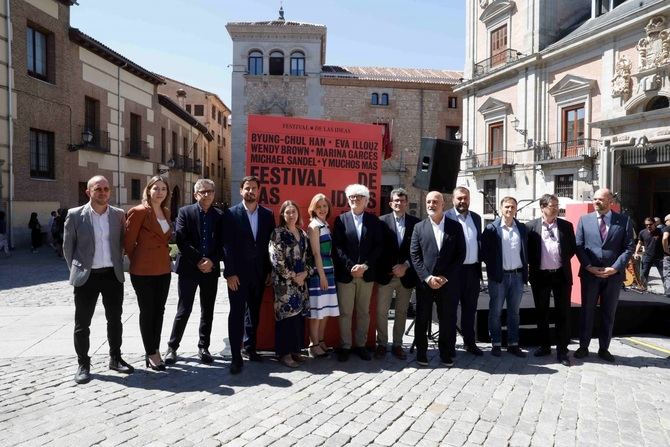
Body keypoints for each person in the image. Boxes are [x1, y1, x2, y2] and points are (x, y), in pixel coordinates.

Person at [63, 175, 133, 384]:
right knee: (82, 323)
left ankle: (115, 357)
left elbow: (122, 242)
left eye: (106, 189)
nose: (103, 192)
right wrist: (77, 270)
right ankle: (83, 363)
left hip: (112, 275)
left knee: (115, 320)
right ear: (88, 192)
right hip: (87, 277)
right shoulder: (75, 215)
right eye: (98, 189)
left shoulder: (119, 215)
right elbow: (68, 247)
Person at [164, 179, 226, 365]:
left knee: (208, 310)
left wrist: (212, 261)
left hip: (211, 269)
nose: (206, 194)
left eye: (210, 191)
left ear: (214, 194)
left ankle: (203, 346)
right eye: (203, 191)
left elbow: (223, 243)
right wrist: (200, 260)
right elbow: (181, 241)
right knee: (184, 309)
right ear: (195, 194)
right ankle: (172, 347)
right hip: (190, 269)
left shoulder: (220, 216)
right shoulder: (185, 212)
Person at [574, 188, 634, 362]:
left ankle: (604, 348)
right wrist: (588, 266)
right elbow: (579, 245)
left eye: (600, 199)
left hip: (613, 276)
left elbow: (629, 247)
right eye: (594, 199)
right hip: (590, 275)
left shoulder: (624, 221)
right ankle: (583, 346)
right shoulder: (584, 220)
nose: (596, 202)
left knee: (608, 312)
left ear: (611, 202)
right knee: (587, 312)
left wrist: (615, 268)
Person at [224, 175, 275, 374]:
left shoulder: (267, 215)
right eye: (247, 188)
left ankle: (250, 348)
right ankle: (236, 357)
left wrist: (269, 270)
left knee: (254, 313)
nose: (250, 191)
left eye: (254, 188)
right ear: (241, 191)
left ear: (259, 190)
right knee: (236, 314)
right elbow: (226, 245)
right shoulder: (230, 214)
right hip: (237, 275)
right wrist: (230, 273)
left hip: (259, 273)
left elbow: (270, 246)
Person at [410, 191, 466, 367]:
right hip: (425, 283)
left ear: (443, 204)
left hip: (447, 283)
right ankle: (421, 353)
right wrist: (427, 277)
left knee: (447, 319)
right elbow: (415, 255)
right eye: (428, 201)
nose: (431, 205)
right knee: (422, 317)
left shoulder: (455, 227)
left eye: (435, 202)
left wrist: (445, 277)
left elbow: (460, 254)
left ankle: (446, 352)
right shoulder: (419, 227)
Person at [124, 176, 173, 371]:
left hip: (163, 268)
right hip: (143, 270)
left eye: (163, 189)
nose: (160, 192)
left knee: (159, 311)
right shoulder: (139, 211)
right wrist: (140, 258)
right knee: (147, 311)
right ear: (148, 190)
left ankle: (155, 348)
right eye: (156, 188)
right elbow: (128, 242)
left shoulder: (166, 211)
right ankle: (151, 352)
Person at [332, 184, 383, 362]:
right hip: (347, 275)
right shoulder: (341, 220)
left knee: (363, 312)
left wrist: (365, 266)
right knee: (345, 312)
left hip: (366, 275)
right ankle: (346, 346)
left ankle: (360, 346)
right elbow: (337, 247)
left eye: (358, 197)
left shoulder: (374, 222)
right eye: (351, 197)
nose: (354, 199)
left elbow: (378, 247)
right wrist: (351, 267)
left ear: (366, 201)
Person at [525, 194, 576, 366]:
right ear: (542, 207)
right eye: (551, 205)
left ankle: (562, 351)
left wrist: (559, 260)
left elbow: (571, 249)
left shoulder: (566, 226)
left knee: (563, 314)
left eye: (556, 205)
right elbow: (528, 252)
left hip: (561, 275)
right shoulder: (530, 227)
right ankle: (545, 345)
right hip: (540, 276)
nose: (555, 208)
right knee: (542, 312)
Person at [374, 187, 419, 360]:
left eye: (402, 200)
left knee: (401, 312)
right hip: (386, 275)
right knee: (381, 311)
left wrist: (405, 266)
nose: (399, 203)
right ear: (391, 203)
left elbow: (417, 250)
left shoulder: (416, 223)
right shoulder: (381, 222)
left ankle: (398, 344)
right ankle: (382, 344)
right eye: (396, 201)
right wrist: (392, 268)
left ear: (406, 202)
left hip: (406, 276)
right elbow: (378, 249)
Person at [481, 196, 529, 358]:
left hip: (517, 276)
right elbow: (485, 253)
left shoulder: (521, 228)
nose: (509, 210)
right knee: (495, 312)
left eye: (512, 207)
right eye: (507, 207)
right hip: (499, 277)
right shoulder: (491, 229)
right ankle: (495, 343)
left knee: (514, 312)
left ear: (516, 209)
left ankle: (513, 344)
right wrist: (493, 270)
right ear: (501, 208)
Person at [269, 200, 313, 367]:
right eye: (287, 212)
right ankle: (284, 353)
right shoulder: (278, 233)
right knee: (286, 318)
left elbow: (309, 257)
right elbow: (276, 260)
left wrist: (306, 273)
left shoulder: (302, 234)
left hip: (301, 283)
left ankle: (295, 350)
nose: (291, 215)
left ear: (298, 214)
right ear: (282, 215)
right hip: (284, 284)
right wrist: (293, 275)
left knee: (298, 318)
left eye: (293, 211)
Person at [445, 186, 484, 357]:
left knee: (470, 309)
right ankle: (450, 345)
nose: (462, 201)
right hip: (454, 271)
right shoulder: (446, 216)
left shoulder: (476, 218)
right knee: (451, 310)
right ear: (453, 200)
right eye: (459, 198)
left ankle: (470, 342)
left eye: (465, 198)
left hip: (473, 271)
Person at [306, 193, 339, 358]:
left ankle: (321, 339)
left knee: (325, 310)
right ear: (313, 208)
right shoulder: (314, 226)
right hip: (320, 273)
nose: (322, 209)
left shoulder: (325, 224)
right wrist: (322, 276)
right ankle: (313, 345)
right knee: (317, 311)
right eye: (318, 207)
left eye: (324, 206)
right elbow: (316, 254)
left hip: (329, 270)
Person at [633, 217, 664, 291]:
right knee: (644, 273)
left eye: (650, 224)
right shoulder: (642, 232)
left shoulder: (661, 231)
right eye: (646, 225)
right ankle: (643, 288)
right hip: (647, 256)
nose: (648, 226)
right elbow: (639, 243)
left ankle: (667, 290)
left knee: (664, 274)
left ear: (654, 224)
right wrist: (636, 252)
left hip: (660, 257)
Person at [663, 214, 670, 297]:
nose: (665, 223)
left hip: (668, 255)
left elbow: (665, 238)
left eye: (665, 221)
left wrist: (666, 249)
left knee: (668, 273)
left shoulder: (668, 227)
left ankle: (668, 293)